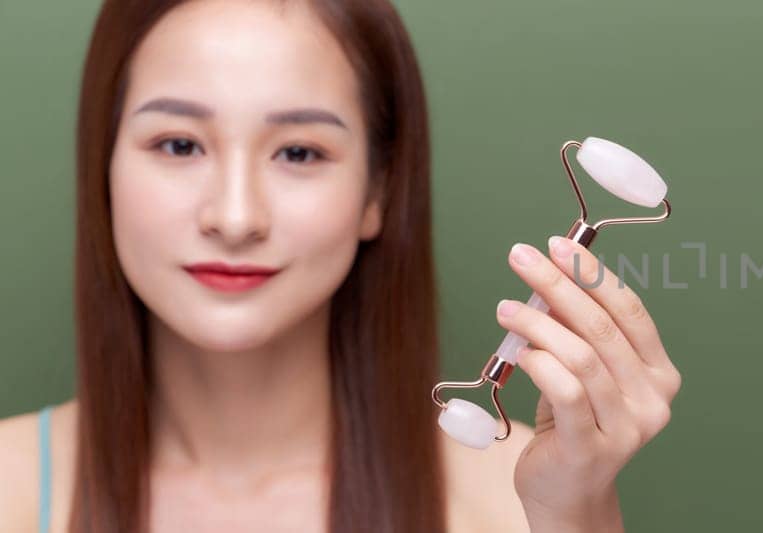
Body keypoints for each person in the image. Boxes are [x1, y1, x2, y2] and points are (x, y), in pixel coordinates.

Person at [0, 1, 682, 531]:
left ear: (377, 192)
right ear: (105, 167)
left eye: (299, 152)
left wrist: (575, 514)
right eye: (178, 144)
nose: (235, 218)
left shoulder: (524, 494)